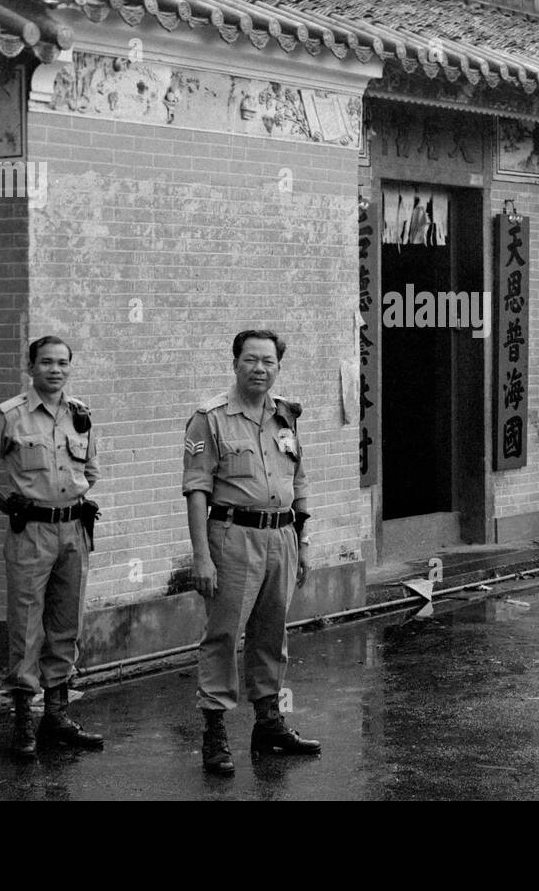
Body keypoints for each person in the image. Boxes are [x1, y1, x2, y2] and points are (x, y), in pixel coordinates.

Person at [182, 329, 320, 774]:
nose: (260, 369)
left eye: (269, 362)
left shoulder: (285, 416)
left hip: (281, 536)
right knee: (224, 633)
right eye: (251, 360)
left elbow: (297, 480)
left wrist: (303, 541)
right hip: (233, 537)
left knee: (272, 632)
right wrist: (201, 557)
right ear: (235, 363)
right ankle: (216, 732)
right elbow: (197, 489)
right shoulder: (211, 418)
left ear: (278, 367)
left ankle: (268, 723)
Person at [0, 336, 104, 758]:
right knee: (27, 626)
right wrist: (10, 505)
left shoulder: (81, 415)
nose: (55, 370)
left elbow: (91, 470)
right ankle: (24, 722)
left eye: (62, 363)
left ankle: (56, 717)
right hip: (32, 534)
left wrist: (69, 498)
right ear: (30, 367)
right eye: (46, 362)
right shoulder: (8, 416)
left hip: (74, 531)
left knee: (66, 624)